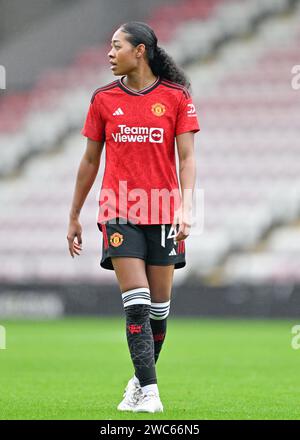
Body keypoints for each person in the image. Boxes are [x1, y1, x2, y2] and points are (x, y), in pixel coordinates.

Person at [67, 21, 200, 413]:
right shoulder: (103, 99)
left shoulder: (176, 97)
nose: (109, 53)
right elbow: (90, 160)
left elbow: (188, 157)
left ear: (140, 51)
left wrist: (187, 207)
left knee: (159, 312)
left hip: (162, 212)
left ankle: (138, 383)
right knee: (137, 303)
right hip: (119, 211)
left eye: (116, 46)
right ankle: (153, 394)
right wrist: (74, 214)